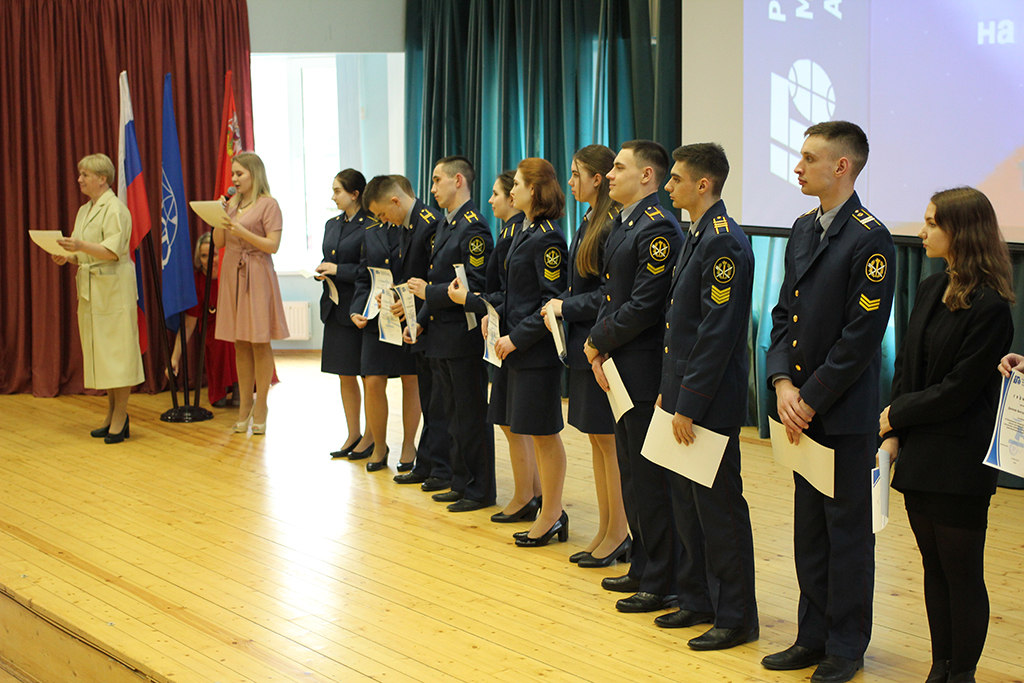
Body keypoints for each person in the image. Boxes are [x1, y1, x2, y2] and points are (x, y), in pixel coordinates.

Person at [763, 121, 895, 683]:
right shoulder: (802, 227)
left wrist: (810, 398)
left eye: (809, 158)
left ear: (841, 166)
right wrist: (781, 383)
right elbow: (783, 315)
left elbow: (860, 338)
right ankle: (811, 635)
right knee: (809, 531)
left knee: (847, 537)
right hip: (800, 408)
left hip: (840, 415)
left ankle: (845, 645)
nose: (798, 166)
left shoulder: (870, 237)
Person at [880, 188, 1014, 683]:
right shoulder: (932, 286)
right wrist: (895, 430)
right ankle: (940, 667)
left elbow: (959, 390)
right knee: (932, 568)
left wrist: (896, 415)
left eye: (933, 223)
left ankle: (963, 674)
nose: (922, 232)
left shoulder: (991, 306)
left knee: (962, 573)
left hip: (959, 460)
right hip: (920, 452)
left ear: (962, 232)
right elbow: (906, 366)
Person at [655, 143, 758, 650]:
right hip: (682, 393)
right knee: (687, 505)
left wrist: (689, 402)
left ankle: (736, 615)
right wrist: (667, 394)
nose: (667, 186)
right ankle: (696, 598)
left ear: (703, 184)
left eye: (675, 179)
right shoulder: (697, 233)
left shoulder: (724, 242)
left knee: (718, 510)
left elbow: (716, 334)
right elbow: (680, 327)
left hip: (708, 400)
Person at [584, 140, 683, 613]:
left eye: (619, 168)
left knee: (650, 480)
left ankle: (662, 579)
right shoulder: (625, 223)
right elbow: (611, 294)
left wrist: (597, 339)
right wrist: (602, 345)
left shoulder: (657, 226)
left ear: (647, 176)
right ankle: (643, 566)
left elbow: (644, 305)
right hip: (619, 365)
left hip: (642, 369)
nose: (609, 175)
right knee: (631, 474)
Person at [542, 145, 628, 565]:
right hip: (582, 344)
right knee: (597, 440)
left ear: (597, 179)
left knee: (609, 443)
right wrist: (559, 304)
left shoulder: (610, 224)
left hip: (602, 346)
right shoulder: (590, 219)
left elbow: (606, 296)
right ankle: (606, 528)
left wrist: (564, 307)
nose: (570, 182)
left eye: (576, 174)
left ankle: (619, 531)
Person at [406, 156, 496, 512]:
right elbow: (438, 278)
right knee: (453, 416)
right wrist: (421, 320)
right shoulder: (446, 223)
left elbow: (474, 284)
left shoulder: (473, 227)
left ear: (458, 180)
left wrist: (428, 294)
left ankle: (480, 489)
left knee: (470, 415)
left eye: (437, 180)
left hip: (463, 333)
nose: (432, 189)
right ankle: (460, 482)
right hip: (442, 334)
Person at [486, 158, 568, 546]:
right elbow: (516, 294)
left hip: (536, 352)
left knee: (544, 435)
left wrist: (516, 337)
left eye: (517, 184)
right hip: (517, 347)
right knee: (529, 431)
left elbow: (551, 302)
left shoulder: (548, 238)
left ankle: (552, 514)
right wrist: (495, 319)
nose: (512, 189)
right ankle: (540, 505)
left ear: (533, 190)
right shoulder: (526, 230)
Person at [450, 170, 540, 523]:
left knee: (521, 425)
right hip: (501, 329)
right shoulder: (510, 232)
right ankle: (531, 492)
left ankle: (532, 495)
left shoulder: (524, 233)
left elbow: (512, 292)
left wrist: (475, 302)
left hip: (519, 335)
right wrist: (488, 308)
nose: (493, 200)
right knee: (507, 421)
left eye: (500, 192)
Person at [364, 174, 451, 488]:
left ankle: (439, 466)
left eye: (382, 213)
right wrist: (393, 295)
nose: (383, 220)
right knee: (429, 399)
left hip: (433, 322)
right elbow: (409, 277)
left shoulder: (428, 223)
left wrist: (412, 305)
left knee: (436, 402)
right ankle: (427, 463)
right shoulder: (407, 224)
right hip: (418, 322)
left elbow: (433, 280)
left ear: (395, 200)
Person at [52, 153, 145, 444]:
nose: (79, 179)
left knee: (119, 355)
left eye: (85, 175)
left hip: (114, 288)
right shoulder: (84, 210)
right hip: (92, 289)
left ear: (102, 178)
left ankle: (121, 415)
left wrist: (80, 245)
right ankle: (111, 413)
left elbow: (112, 251)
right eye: (80, 174)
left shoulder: (115, 209)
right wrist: (68, 256)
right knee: (103, 356)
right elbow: (84, 253)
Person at [214, 151, 289, 435]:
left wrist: (241, 231)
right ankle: (244, 406)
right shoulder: (232, 203)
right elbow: (219, 242)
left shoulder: (269, 204)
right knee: (240, 343)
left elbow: (272, 245)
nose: (234, 179)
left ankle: (261, 406)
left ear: (254, 174)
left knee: (259, 342)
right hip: (232, 273)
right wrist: (218, 216)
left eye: (240, 174)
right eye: (233, 174)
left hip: (256, 273)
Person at [349, 211, 420, 472]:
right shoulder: (371, 231)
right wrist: (356, 309)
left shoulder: (415, 227)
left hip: (406, 314)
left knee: (411, 380)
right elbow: (363, 277)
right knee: (373, 380)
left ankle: (409, 445)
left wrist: (404, 297)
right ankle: (379, 446)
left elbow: (422, 273)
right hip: (376, 317)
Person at [317, 170, 374, 459]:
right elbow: (330, 256)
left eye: (337, 191)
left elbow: (369, 269)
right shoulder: (332, 223)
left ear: (355, 194)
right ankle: (353, 433)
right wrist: (323, 269)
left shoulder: (371, 225)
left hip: (358, 307)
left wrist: (338, 270)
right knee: (344, 374)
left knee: (367, 376)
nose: (333, 196)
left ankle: (372, 435)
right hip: (335, 306)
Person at [169, 233, 239, 407]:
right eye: (204, 256)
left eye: (213, 255)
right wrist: (175, 357)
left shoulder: (233, 273)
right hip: (213, 335)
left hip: (237, 333)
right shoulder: (197, 281)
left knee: (234, 343)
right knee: (219, 403)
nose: (209, 260)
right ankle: (222, 389)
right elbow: (188, 323)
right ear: (198, 259)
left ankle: (240, 387)